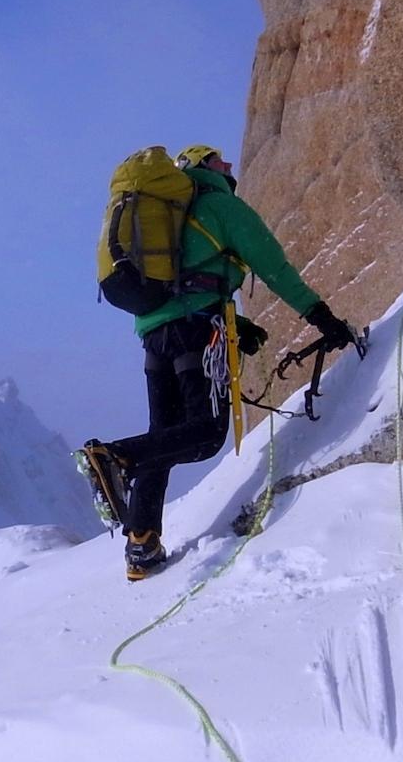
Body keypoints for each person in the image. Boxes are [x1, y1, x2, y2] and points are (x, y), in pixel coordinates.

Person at [84, 144, 358, 581]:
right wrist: (321, 317)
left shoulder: (168, 217)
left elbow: (188, 277)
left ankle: (142, 544)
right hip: (197, 329)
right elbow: (275, 267)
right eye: (217, 158)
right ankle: (117, 457)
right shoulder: (220, 206)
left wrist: (236, 326)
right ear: (201, 169)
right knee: (206, 435)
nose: (228, 165)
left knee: (167, 435)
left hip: (155, 335)